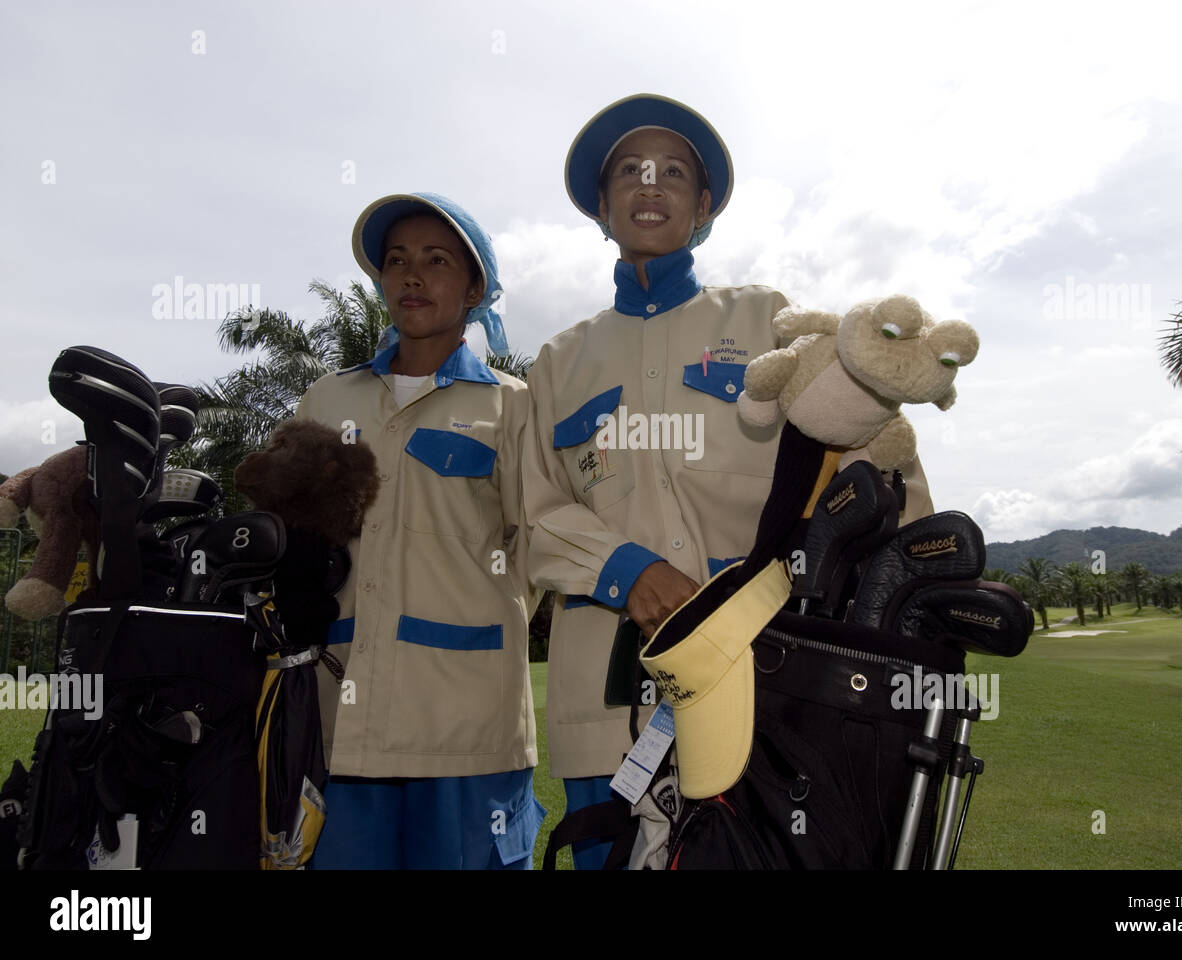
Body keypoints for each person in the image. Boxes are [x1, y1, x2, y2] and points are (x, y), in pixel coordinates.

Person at [522, 95, 937, 868]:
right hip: (605, 709)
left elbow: (870, 452)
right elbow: (532, 514)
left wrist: (913, 582)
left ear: (703, 205)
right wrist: (624, 571)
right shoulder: (556, 363)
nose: (651, 185)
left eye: (673, 172)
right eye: (630, 173)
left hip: (770, 681)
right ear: (602, 206)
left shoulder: (768, 320)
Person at [294, 192, 543, 869]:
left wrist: (465, 614)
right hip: (338, 721)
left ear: (474, 287)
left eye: (436, 260)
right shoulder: (326, 399)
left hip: (468, 729)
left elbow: (533, 548)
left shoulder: (511, 406)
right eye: (396, 261)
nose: (411, 276)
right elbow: (293, 541)